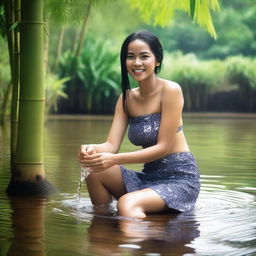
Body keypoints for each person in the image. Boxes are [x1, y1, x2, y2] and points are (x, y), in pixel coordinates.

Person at [78, 30, 200, 218]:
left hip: (179, 179)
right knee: (94, 168)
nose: (136, 63)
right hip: (148, 176)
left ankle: (146, 242)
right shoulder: (126, 98)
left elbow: (163, 148)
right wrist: (90, 149)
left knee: (127, 204)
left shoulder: (171, 91)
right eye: (130, 57)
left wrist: (114, 159)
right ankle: (104, 232)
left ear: (157, 60)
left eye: (144, 56)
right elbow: (111, 145)